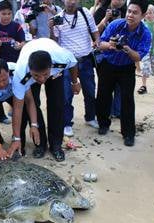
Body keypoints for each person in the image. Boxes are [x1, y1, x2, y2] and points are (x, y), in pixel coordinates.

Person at [9, 38, 79, 161]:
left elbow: (73, 63)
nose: (41, 79)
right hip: (30, 57)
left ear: (51, 66)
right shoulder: (21, 73)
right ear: (29, 69)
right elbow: (18, 108)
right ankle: (40, 145)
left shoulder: (62, 58)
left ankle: (56, 146)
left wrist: (74, 82)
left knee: (57, 105)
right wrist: (16, 138)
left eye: (45, 75)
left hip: (55, 71)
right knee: (32, 105)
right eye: (37, 75)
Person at [96, 0, 151, 147]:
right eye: (129, 11)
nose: (130, 15)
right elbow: (100, 44)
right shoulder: (116, 24)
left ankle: (128, 134)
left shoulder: (145, 33)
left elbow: (138, 56)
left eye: (135, 12)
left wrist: (126, 48)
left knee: (127, 100)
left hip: (127, 68)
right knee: (103, 95)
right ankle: (103, 124)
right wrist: (111, 45)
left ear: (143, 15)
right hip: (108, 64)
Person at [50, 0, 100, 138]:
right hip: (67, 63)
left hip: (86, 59)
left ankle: (90, 117)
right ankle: (66, 123)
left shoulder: (85, 13)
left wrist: (97, 41)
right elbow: (54, 42)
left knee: (90, 91)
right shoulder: (58, 18)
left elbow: (95, 31)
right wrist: (51, 27)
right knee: (66, 94)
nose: (71, 2)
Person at [0, 59, 39, 159]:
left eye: (4, 79)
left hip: (13, 94)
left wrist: (34, 124)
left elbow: (29, 101)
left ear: (8, 72)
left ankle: (18, 142)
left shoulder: (18, 74)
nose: (1, 84)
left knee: (23, 112)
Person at [137, 4, 154, 94]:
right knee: (145, 67)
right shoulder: (142, 25)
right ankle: (143, 85)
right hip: (146, 50)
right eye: (146, 13)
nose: (148, 15)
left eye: (150, 13)